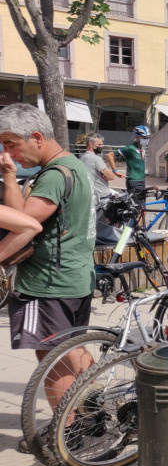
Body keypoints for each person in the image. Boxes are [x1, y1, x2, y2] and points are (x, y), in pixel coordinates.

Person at [0, 103, 95, 423]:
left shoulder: (54, 176)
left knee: (51, 359)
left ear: (37, 137)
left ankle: (67, 431)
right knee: (74, 349)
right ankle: (95, 415)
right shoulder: (73, 166)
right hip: (76, 276)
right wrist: (11, 178)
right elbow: (25, 216)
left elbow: (22, 226)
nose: (8, 153)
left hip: (47, 284)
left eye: (11, 144)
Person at [79, 133, 117, 219]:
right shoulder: (96, 159)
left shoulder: (82, 158)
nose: (101, 146)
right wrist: (107, 174)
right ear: (91, 144)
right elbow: (111, 177)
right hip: (102, 196)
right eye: (99, 144)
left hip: (91, 195)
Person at [107, 125, 148, 194]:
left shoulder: (142, 149)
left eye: (147, 137)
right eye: (143, 137)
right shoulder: (130, 148)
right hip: (133, 181)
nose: (146, 139)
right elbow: (109, 155)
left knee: (142, 204)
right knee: (136, 204)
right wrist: (115, 171)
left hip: (142, 180)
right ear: (136, 137)